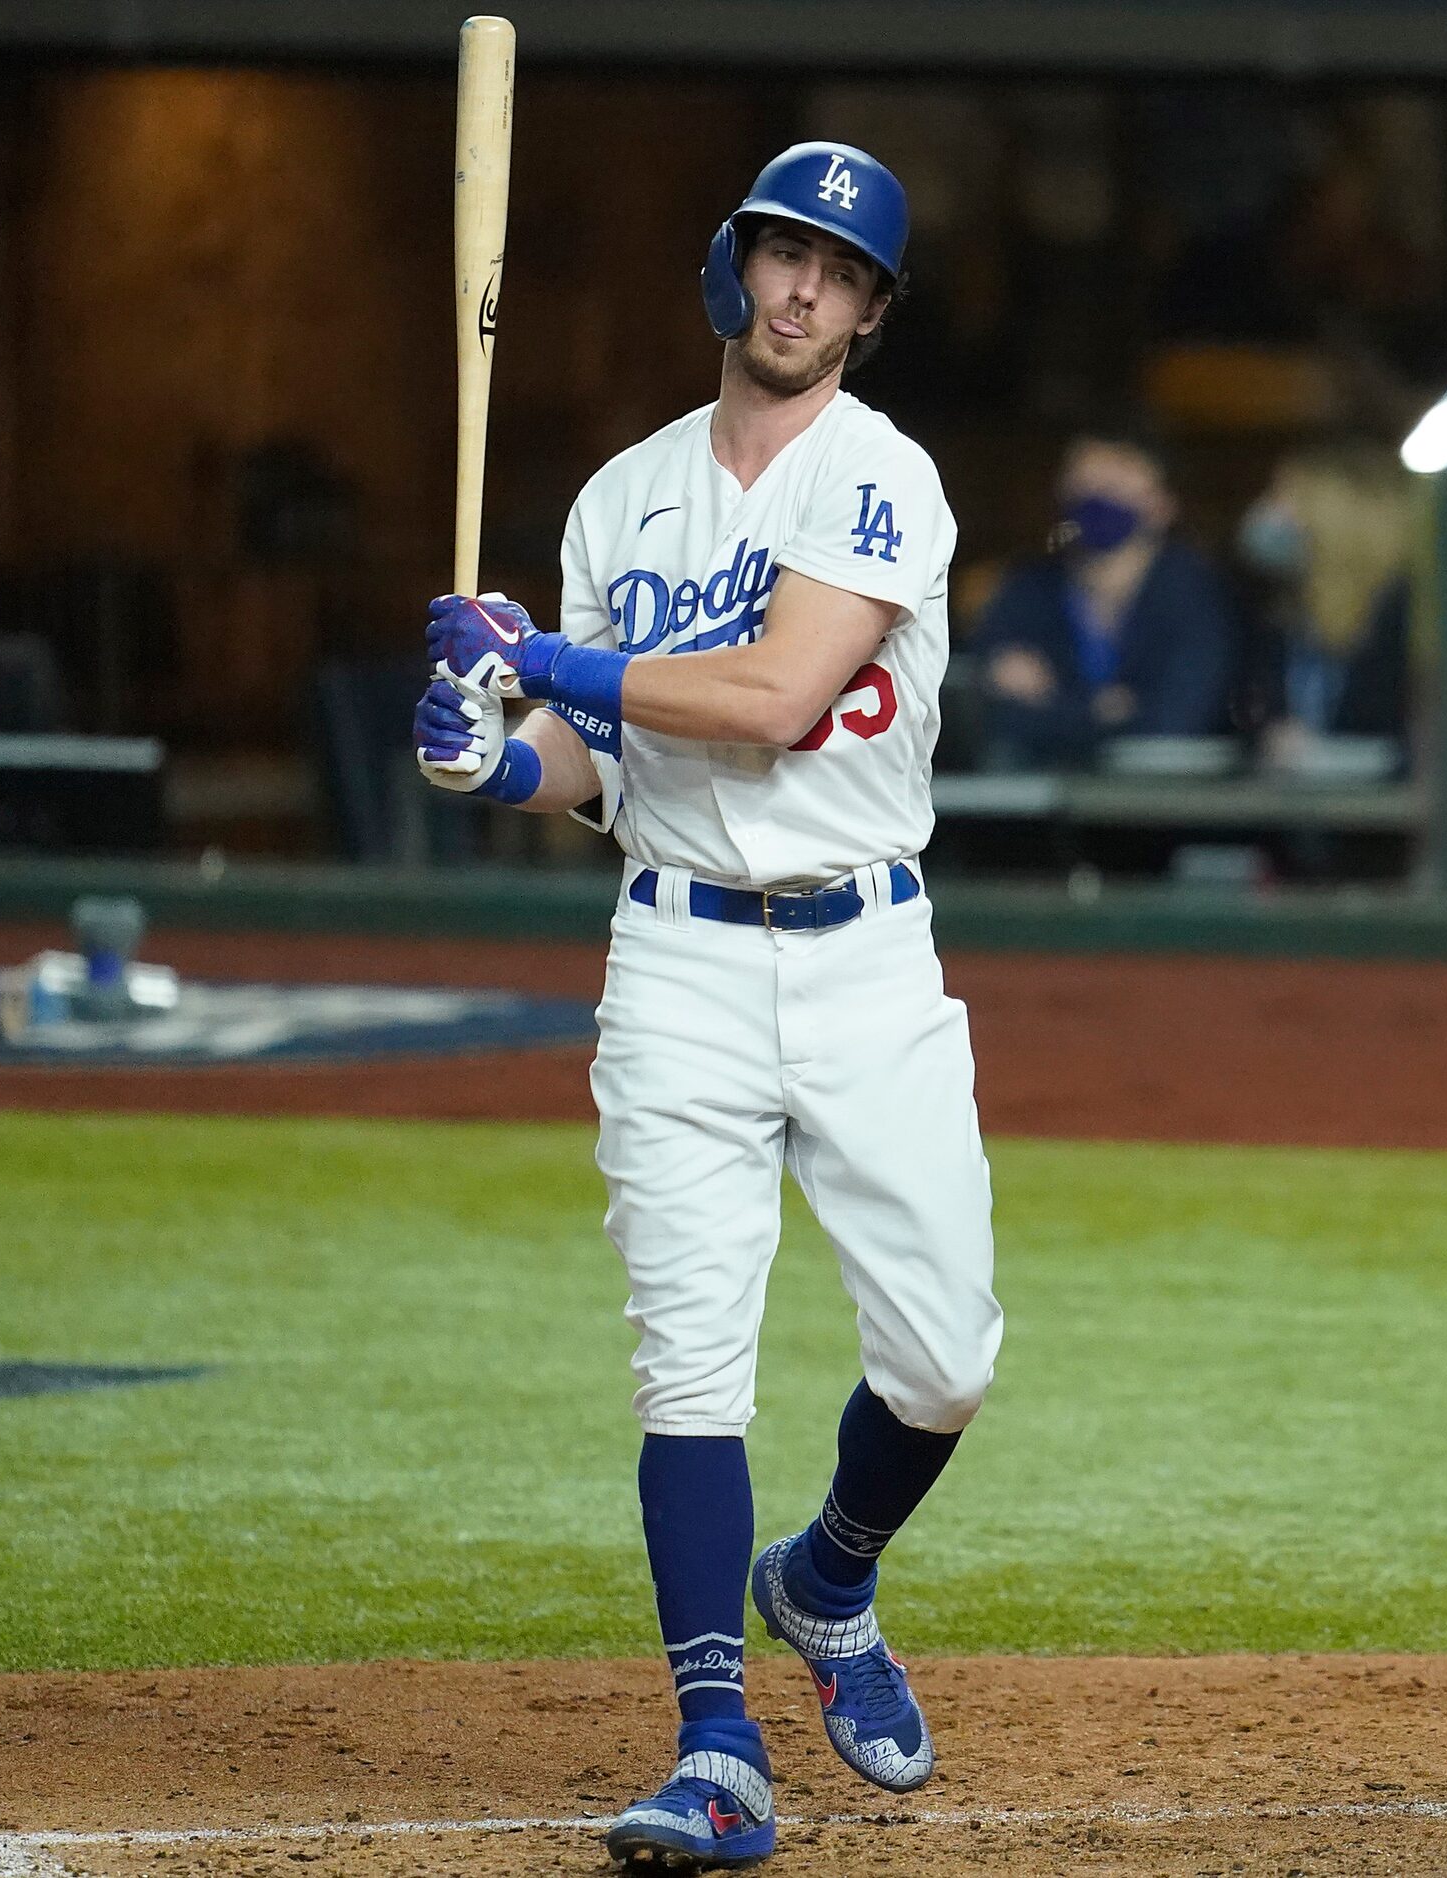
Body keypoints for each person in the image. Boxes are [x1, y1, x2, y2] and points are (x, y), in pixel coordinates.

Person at [410, 142, 998, 1873]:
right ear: (733, 267)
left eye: (840, 271)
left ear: (871, 311)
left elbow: (772, 691)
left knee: (948, 1359)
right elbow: (600, 756)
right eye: (781, 254)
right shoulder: (620, 500)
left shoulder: (886, 480)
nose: (803, 289)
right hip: (671, 961)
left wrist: (541, 656)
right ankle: (715, 1739)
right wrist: (496, 754)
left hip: (866, 954)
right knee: (690, 1367)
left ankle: (825, 1579)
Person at [973, 429, 1237, 769]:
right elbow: (992, 716)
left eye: (1114, 485)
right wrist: (1102, 711)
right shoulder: (1027, 591)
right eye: (1085, 484)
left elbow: (1180, 719)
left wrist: (1055, 705)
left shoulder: (1201, 597)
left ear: (1163, 505)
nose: (1097, 497)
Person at [1234, 441, 1415, 771]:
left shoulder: (1407, 617)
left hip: (1380, 815)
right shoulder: (1280, 618)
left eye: (1281, 496)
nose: (1266, 512)